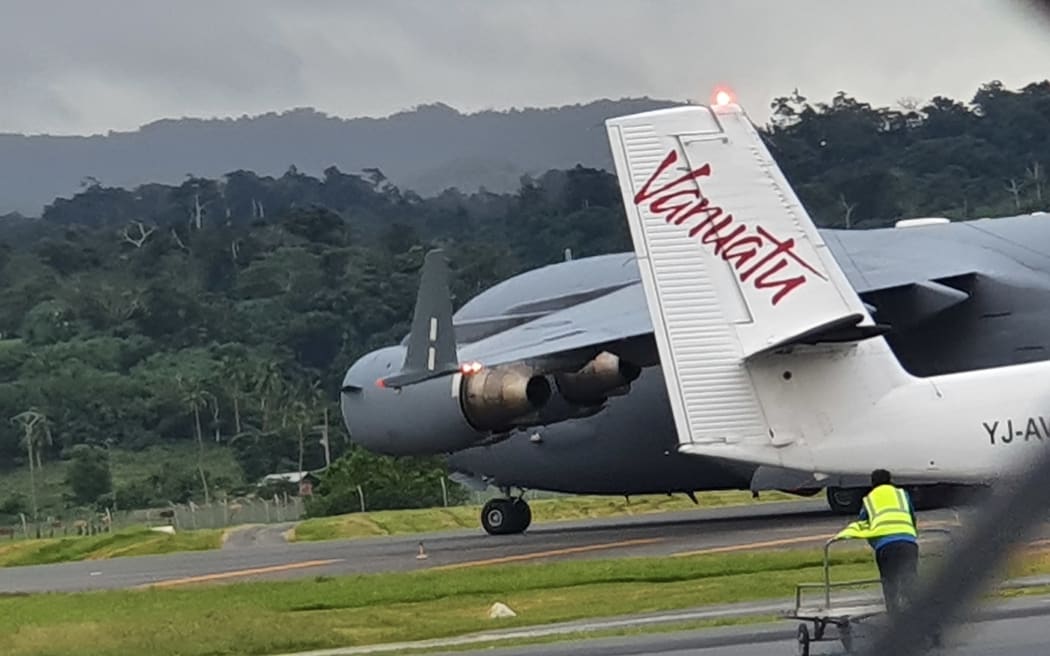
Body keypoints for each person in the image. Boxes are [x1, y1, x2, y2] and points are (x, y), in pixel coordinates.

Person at [836, 469, 919, 616]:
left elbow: (863, 523)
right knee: (910, 578)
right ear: (890, 479)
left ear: (872, 482)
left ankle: (893, 614)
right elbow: (912, 517)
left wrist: (873, 542)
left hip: (885, 545)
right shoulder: (901, 494)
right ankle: (917, 612)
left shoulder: (869, 499)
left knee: (889, 582)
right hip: (908, 542)